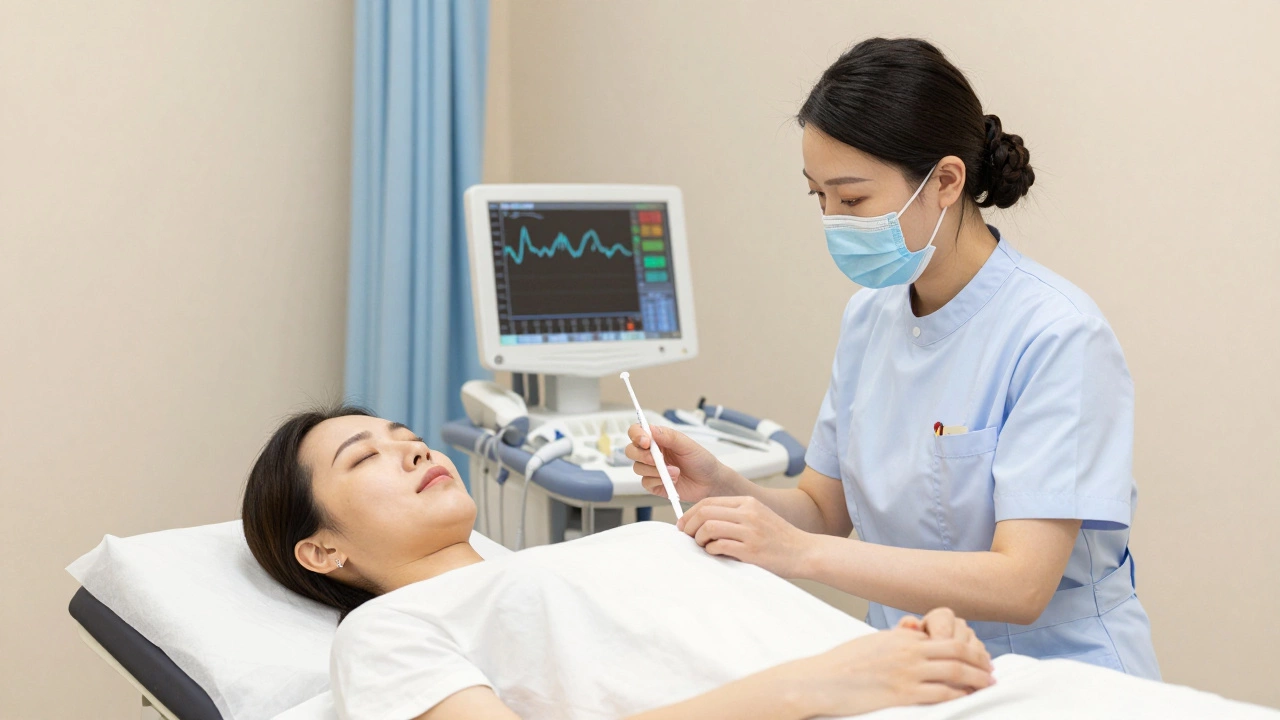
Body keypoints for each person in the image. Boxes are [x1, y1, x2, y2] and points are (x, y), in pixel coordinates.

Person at [625, 37, 1159, 679]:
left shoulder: (1057, 336)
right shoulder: (869, 317)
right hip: (912, 668)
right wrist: (725, 489)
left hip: (1054, 678)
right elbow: (823, 512)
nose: (832, 220)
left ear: (945, 180)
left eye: (851, 200)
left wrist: (797, 555)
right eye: (817, 197)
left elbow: (1021, 583)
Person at [241, 407, 994, 720]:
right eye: (364, 457)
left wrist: (915, 657)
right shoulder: (387, 630)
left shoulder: (589, 555)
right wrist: (822, 684)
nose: (411, 447)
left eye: (404, 433)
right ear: (323, 549)